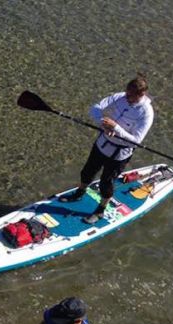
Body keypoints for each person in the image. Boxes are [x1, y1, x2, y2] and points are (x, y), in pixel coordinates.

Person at [60, 75, 154, 224]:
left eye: (131, 96)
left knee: (106, 182)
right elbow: (95, 108)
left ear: (142, 94)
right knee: (87, 171)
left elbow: (136, 141)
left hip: (119, 155)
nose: (127, 97)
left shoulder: (146, 113)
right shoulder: (120, 96)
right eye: (127, 93)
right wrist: (103, 124)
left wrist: (116, 128)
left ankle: (100, 211)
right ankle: (79, 193)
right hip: (101, 144)